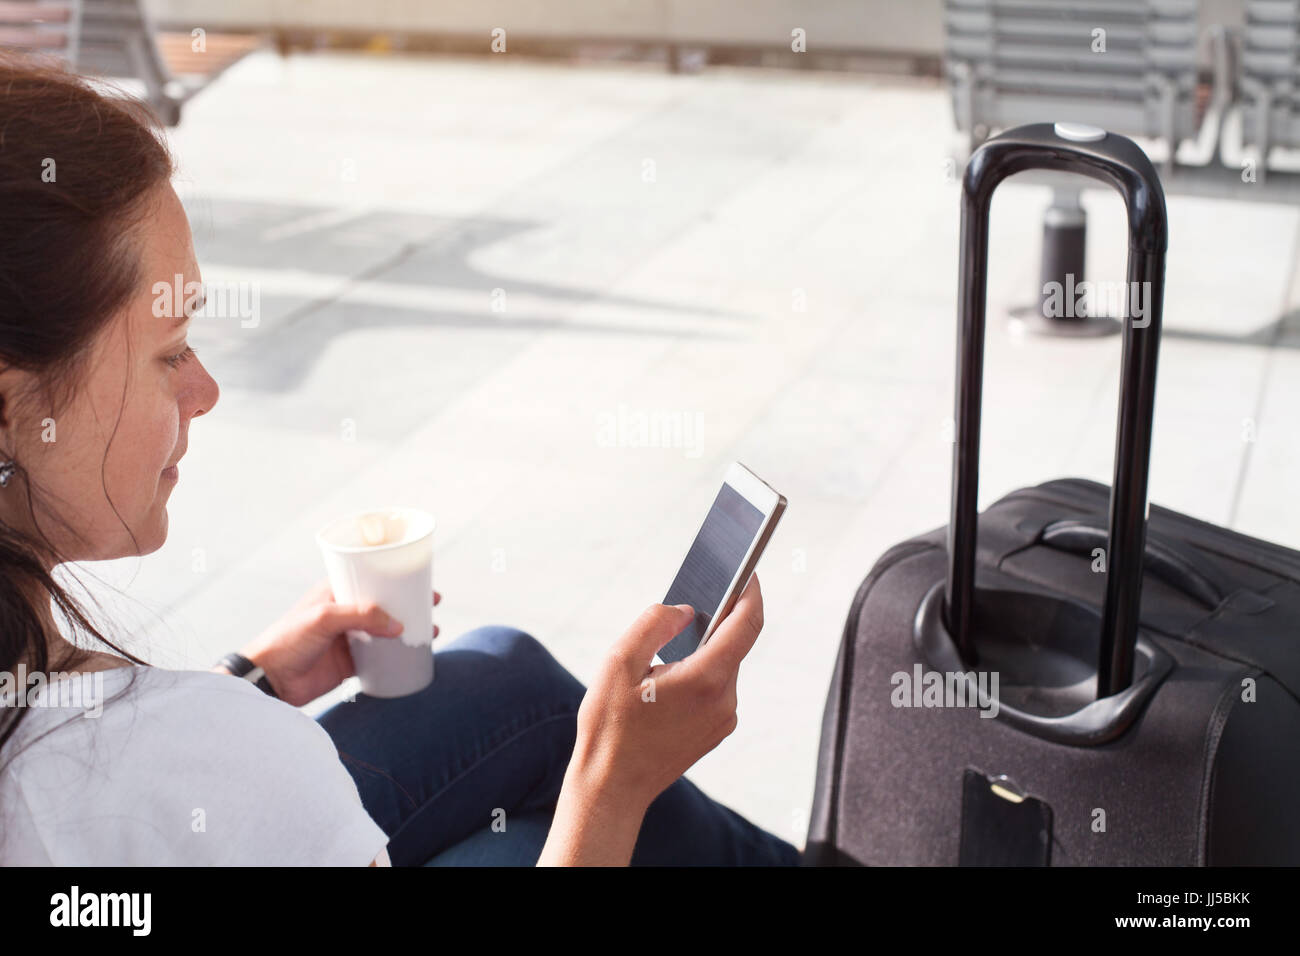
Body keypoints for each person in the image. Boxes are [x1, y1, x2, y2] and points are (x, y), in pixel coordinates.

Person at [0, 53, 801, 867]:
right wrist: (614, 781)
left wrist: (249, 676)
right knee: (535, 827)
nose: (204, 389)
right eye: (169, 353)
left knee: (506, 677)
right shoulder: (202, 758)